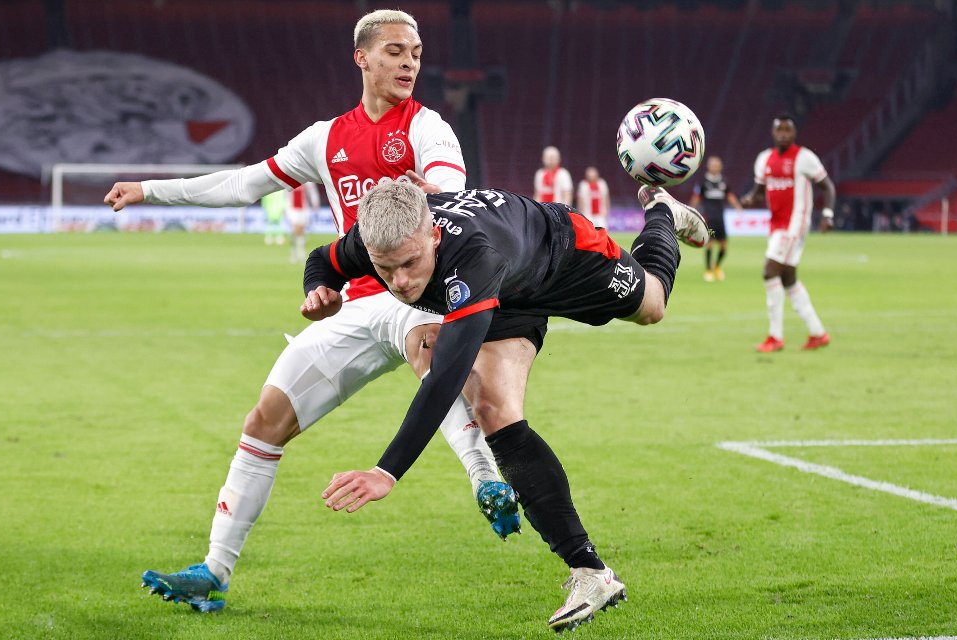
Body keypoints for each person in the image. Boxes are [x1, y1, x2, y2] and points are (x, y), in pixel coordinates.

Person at [103, 9, 519, 613]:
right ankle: (215, 573)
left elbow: (449, 195)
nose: (410, 64)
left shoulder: (429, 128)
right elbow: (244, 184)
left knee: (433, 351)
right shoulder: (325, 138)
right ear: (363, 58)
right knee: (263, 422)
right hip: (354, 309)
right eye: (397, 52)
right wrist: (151, 190)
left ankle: (486, 479)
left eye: (417, 54)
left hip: (416, 294)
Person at [301, 180, 709, 631]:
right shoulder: (375, 237)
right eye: (385, 269)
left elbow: (444, 380)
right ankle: (590, 571)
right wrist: (320, 290)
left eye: (411, 263)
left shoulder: (473, 256)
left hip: (564, 254)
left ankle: (662, 211)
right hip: (509, 289)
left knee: (651, 304)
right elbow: (323, 260)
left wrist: (386, 472)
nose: (400, 282)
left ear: (433, 236)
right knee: (494, 409)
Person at [740, 114, 835, 352]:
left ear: (794, 133)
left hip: (794, 225)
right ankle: (818, 333)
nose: (783, 134)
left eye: (787, 130)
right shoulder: (764, 159)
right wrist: (751, 199)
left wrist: (827, 214)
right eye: (779, 130)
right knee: (788, 278)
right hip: (776, 225)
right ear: (773, 133)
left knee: (769, 271)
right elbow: (759, 190)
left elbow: (828, 186)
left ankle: (775, 336)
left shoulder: (804, 158)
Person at [690, 156, 743, 281]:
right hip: (709, 218)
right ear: (708, 166)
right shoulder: (702, 182)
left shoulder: (723, 181)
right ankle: (708, 270)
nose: (715, 167)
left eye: (717, 165)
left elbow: (730, 195)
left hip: (720, 219)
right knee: (710, 244)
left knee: (724, 247)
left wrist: (738, 207)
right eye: (713, 165)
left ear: (720, 167)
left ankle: (717, 266)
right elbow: (696, 198)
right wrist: (691, 211)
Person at [284, 182, 320, 262]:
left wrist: (315, 204)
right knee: (295, 230)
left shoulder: (307, 181)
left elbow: (312, 192)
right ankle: (294, 253)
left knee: (302, 231)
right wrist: (286, 209)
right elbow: (286, 195)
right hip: (292, 209)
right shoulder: (289, 180)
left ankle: (301, 253)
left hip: (304, 209)